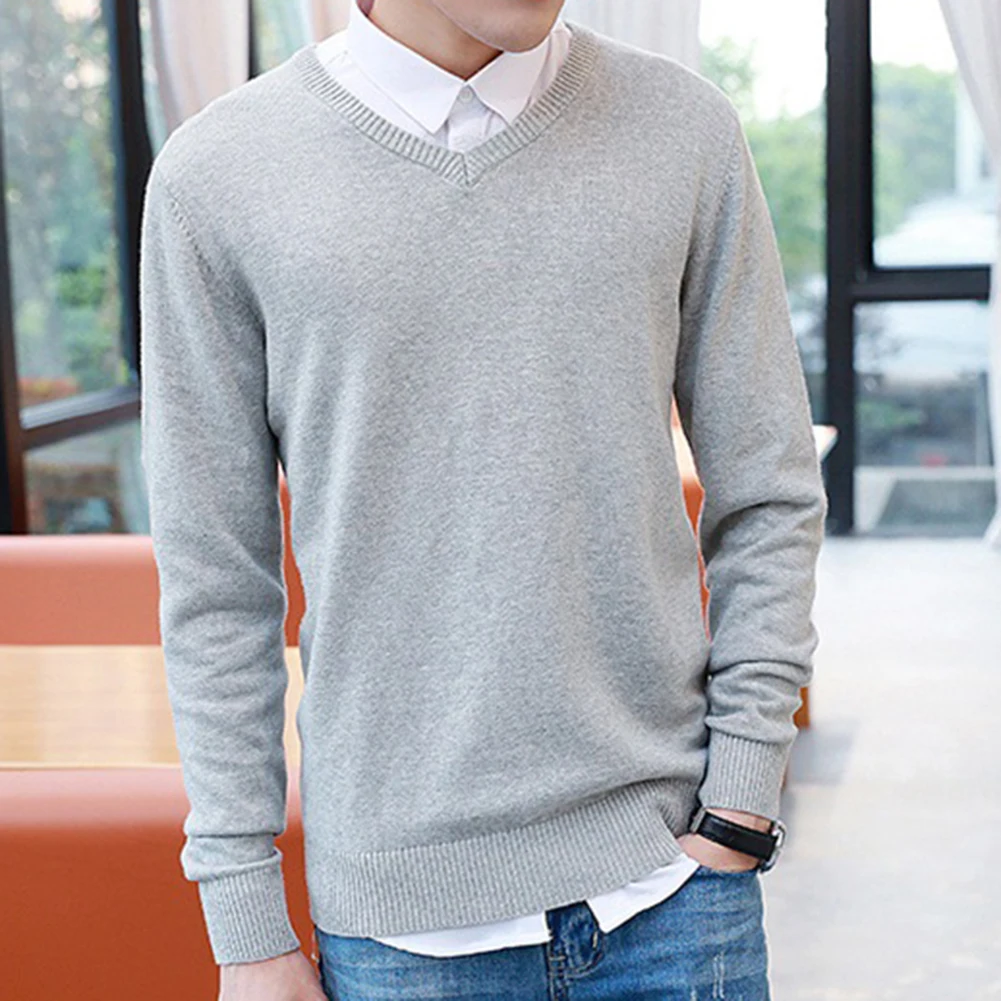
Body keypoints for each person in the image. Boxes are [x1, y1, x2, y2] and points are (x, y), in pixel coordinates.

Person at [138, 0, 828, 998]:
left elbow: (768, 486)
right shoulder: (217, 175)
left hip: (674, 894)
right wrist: (246, 924)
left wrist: (742, 798)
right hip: (397, 932)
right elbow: (216, 583)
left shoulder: (682, 129)